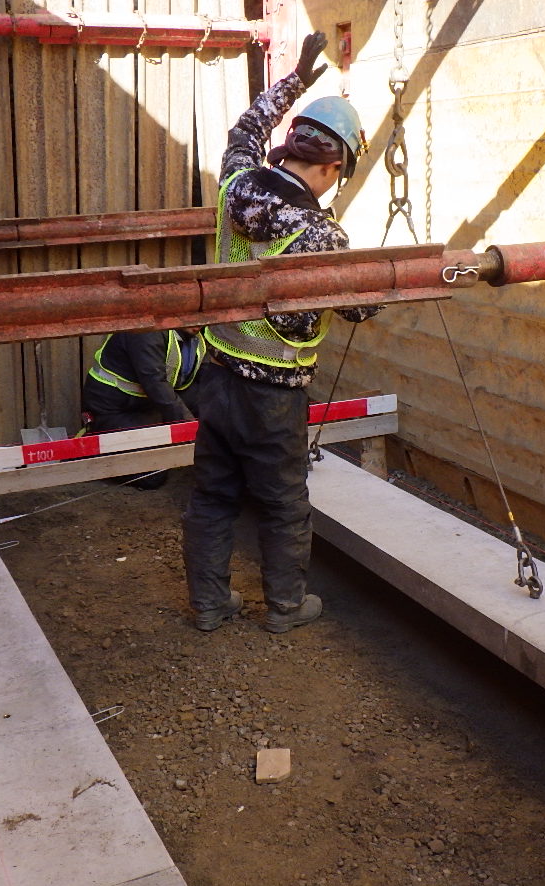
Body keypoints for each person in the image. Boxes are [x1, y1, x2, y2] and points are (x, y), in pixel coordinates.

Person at [182, 31, 381, 634]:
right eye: (335, 176)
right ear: (329, 166)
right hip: (274, 397)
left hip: (215, 382)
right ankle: (287, 607)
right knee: (282, 503)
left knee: (213, 495)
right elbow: (362, 309)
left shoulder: (235, 184)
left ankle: (211, 606)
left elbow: (244, 131)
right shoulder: (321, 235)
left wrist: (296, 77)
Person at [80, 327, 206, 488]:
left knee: (212, 407)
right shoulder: (146, 331)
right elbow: (156, 385)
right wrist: (190, 429)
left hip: (148, 405)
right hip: (113, 408)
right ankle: (93, 445)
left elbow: (204, 378)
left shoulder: (198, 332)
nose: (197, 322)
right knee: (152, 476)